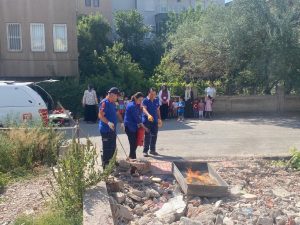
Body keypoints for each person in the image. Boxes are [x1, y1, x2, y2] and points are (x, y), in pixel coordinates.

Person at [98, 87, 124, 168]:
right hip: (105, 129)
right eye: (117, 96)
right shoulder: (104, 103)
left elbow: (118, 113)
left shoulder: (113, 103)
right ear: (112, 95)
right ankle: (106, 165)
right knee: (107, 148)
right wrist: (108, 122)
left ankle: (112, 161)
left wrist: (122, 122)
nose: (117, 98)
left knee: (113, 146)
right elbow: (100, 115)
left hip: (113, 129)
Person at [124, 92, 148, 160]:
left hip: (135, 127)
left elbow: (140, 115)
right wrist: (145, 128)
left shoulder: (137, 105)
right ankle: (132, 158)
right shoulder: (132, 106)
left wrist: (141, 109)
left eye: (141, 100)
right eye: (139, 100)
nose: (141, 101)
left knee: (135, 144)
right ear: (135, 98)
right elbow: (137, 119)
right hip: (129, 127)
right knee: (133, 144)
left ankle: (130, 157)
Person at [142, 88, 162, 157]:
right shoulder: (145, 100)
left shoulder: (156, 100)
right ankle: (145, 151)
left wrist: (160, 119)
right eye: (152, 94)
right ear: (149, 93)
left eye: (154, 94)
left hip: (155, 120)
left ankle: (152, 150)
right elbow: (144, 109)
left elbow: (158, 110)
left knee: (154, 135)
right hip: (147, 121)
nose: (153, 95)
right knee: (147, 136)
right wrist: (148, 115)